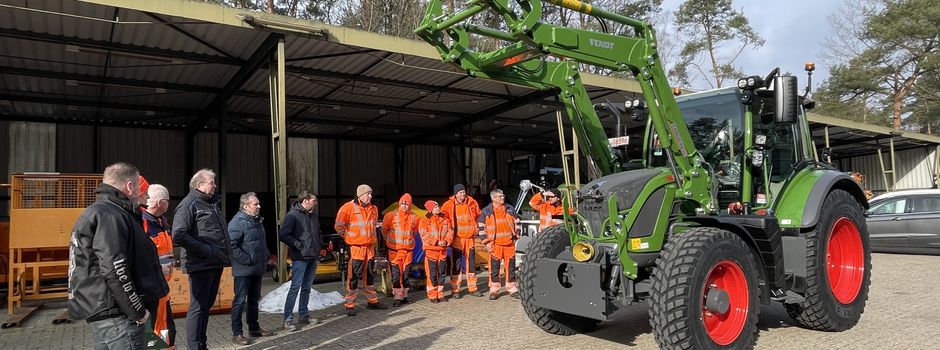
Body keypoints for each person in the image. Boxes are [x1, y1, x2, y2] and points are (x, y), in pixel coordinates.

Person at [68, 162, 162, 349]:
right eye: (138, 188)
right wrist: (137, 311)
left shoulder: (97, 211)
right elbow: (115, 268)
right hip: (118, 314)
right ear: (129, 186)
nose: (141, 195)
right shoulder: (112, 215)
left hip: (104, 310)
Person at [172, 169, 230, 350]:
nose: (215, 185)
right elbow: (178, 234)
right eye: (211, 182)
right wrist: (206, 250)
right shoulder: (189, 204)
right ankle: (194, 346)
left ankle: (201, 344)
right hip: (200, 264)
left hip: (214, 263)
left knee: (206, 306)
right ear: (199, 185)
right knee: (198, 307)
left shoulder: (210, 204)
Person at [229, 192, 276, 345]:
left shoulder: (256, 221)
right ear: (245, 206)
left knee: (254, 300)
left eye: (258, 203)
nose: (259, 206)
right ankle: (237, 333)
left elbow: (260, 242)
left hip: (256, 268)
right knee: (240, 301)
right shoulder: (237, 222)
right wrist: (247, 260)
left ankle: (254, 328)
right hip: (244, 270)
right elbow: (231, 246)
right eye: (255, 204)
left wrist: (266, 255)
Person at [335, 184, 387, 316]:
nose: (370, 196)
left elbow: (373, 226)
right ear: (360, 195)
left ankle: (372, 301)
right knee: (353, 277)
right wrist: (350, 238)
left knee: (369, 276)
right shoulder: (347, 208)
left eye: (371, 194)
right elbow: (339, 226)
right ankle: (350, 305)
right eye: (368, 194)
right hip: (356, 249)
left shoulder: (374, 209)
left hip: (369, 249)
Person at [278, 191, 323, 331]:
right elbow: (283, 235)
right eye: (313, 200)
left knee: (306, 288)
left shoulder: (313, 214)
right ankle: (288, 319)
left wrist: (320, 245)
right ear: (305, 201)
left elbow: (318, 231)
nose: (315, 202)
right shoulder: (292, 216)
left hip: (312, 256)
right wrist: (298, 245)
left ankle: (303, 315)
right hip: (300, 258)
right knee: (295, 288)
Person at [142, 183, 177, 348]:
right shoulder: (144, 224)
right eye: (167, 201)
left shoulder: (162, 223)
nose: (169, 204)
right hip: (151, 290)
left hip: (163, 288)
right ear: (160, 202)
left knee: (166, 330)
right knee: (154, 332)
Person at [441, 184, 483, 298]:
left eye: (464, 192)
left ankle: (473, 288)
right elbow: (443, 220)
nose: (463, 194)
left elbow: (479, 215)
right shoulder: (448, 205)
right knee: (456, 265)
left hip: (470, 238)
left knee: (471, 264)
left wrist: (479, 230)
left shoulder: (472, 202)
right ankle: (455, 290)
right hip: (457, 240)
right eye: (460, 192)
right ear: (455, 194)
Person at [480, 189, 520, 300]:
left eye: (503, 196)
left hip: (509, 244)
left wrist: (517, 236)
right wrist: (486, 243)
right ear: (493, 198)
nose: (502, 198)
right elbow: (481, 229)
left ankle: (512, 288)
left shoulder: (510, 209)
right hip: (495, 245)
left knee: (511, 267)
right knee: (494, 268)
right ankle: (494, 290)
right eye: (499, 196)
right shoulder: (486, 211)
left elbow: (517, 222)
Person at [382, 193, 418, 307]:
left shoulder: (414, 217)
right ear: (399, 203)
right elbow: (384, 230)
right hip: (394, 251)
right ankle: (397, 296)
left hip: (408, 251)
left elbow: (415, 232)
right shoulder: (391, 216)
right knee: (396, 275)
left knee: (406, 274)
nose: (405, 206)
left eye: (407, 204)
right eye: (403, 203)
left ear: (410, 205)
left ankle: (405, 295)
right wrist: (390, 241)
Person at [419, 200, 453, 303]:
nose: (438, 208)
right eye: (435, 207)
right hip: (431, 251)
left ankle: (440, 293)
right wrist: (437, 242)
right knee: (432, 274)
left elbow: (450, 231)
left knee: (441, 274)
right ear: (430, 209)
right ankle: (432, 294)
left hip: (442, 251)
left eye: (438, 206)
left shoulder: (445, 219)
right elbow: (424, 236)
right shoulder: (424, 221)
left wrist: (446, 241)